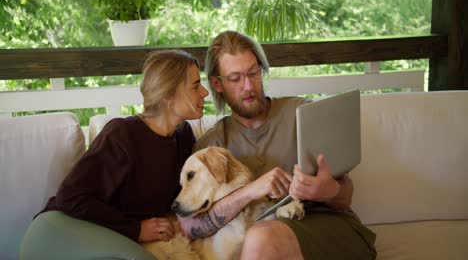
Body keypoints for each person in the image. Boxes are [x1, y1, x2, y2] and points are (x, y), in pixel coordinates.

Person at [178, 31, 377, 259]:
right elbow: (190, 227)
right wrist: (251, 191)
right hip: (263, 239)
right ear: (217, 84)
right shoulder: (212, 145)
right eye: (235, 78)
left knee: (259, 237)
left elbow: (345, 195)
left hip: (327, 228)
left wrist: (327, 191)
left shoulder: (302, 114)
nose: (248, 86)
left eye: (254, 73)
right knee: (258, 237)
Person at [20, 49, 209, 259]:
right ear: (169, 95)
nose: (205, 92)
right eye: (195, 85)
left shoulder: (183, 136)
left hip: (108, 233)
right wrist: (136, 229)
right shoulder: (122, 134)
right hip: (62, 228)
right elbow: (71, 197)